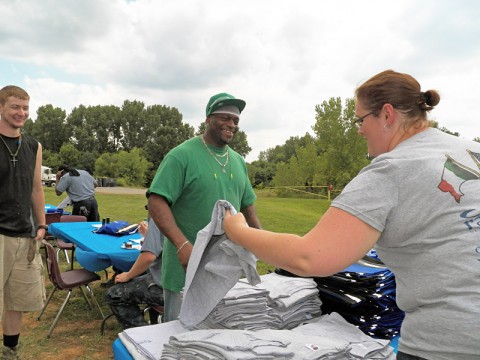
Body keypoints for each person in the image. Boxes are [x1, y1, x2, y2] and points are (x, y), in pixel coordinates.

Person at [224, 70, 480, 360]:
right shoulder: (472, 150)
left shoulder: (392, 169)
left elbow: (309, 257)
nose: (358, 130)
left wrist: (238, 231)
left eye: (360, 119)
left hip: (448, 343)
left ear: (386, 115)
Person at [147, 92, 262, 322]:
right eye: (225, 118)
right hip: (186, 270)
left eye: (236, 120)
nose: (231, 124)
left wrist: (262, 241)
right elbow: (156, 201)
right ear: (208, 119)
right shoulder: (181, 156)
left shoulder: (238, 161)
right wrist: (181, 246)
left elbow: (247, 206)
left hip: (226, 271)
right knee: (177, 343)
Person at [0, 85, 46, 359]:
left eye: (26, 107)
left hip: (25, 234)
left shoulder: (33, 145)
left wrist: (41, 224)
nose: (22, 113)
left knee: (16, 300)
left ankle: (10, 351)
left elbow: (36, 188)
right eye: (15, 106)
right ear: (1, 108)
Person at [106, 218, 164, 329]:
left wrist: (128, 275)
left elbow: (149, 256)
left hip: (168, 289)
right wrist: (150, 235)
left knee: (115, 294)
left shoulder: (160, 218)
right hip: (192, 286)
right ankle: (155, 325)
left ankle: (141, 336)